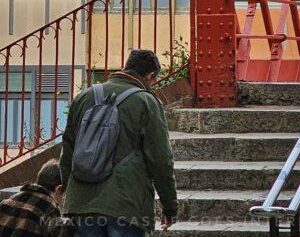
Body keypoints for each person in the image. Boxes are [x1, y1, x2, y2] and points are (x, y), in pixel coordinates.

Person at [61, 49, 178, 237]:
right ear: (150, 76)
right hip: (126, 206)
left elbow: (68, 147)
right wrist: (170, 206)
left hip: (82, 203)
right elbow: (161, 159)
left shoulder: (85, 96)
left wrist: (67, 189)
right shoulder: (146, 102)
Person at [0, 158, 70, 236]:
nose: (65, 198)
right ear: (59, 189)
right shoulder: (50, 209)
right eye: (66, 194)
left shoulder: (8, 201)